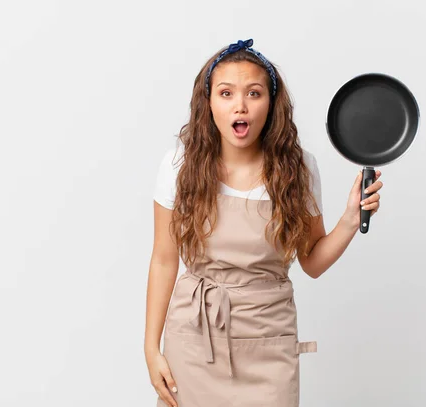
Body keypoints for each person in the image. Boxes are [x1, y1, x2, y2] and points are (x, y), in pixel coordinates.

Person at [144, 38, 383, 407]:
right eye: (226, 93)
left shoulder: (297, 169)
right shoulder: (178, 166)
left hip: (269, 342)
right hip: (193, 341)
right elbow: (163, 258)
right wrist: (151, 346)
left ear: (271, 103)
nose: (240, 105)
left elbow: (312, 261)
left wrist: (350, 219)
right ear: (207, 102)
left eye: (253, 93)